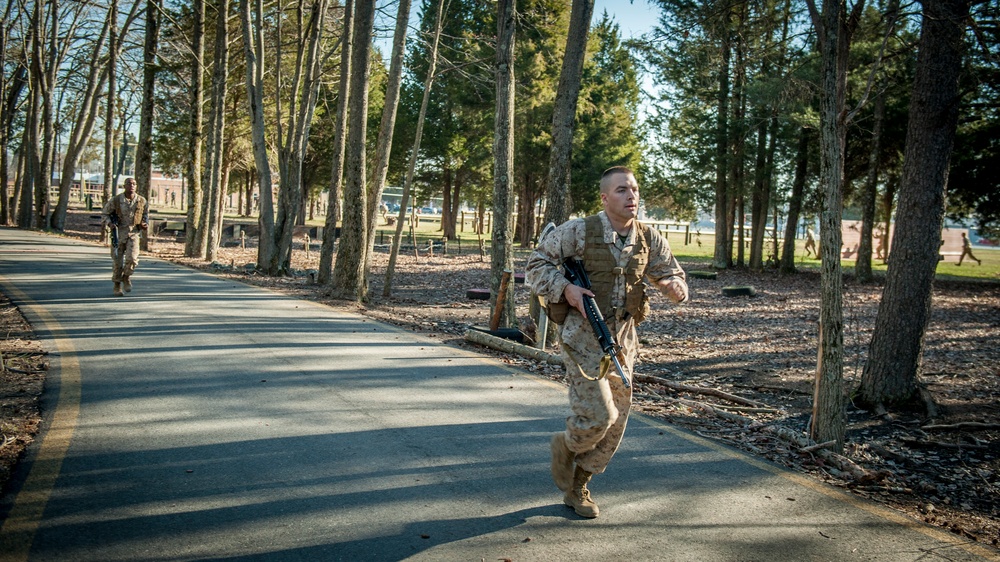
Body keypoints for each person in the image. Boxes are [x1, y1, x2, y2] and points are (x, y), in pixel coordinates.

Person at [525, 166, 688, 519]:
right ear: (604, 197)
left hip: (623, 342)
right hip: (582, 338)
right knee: (600, 414)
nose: (631, 196)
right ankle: (566, 445)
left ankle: (578, 486)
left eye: (634, 189)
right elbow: (536, 264)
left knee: (616, 422)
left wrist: (676, 287)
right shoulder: (579, 231)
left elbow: (670, 272)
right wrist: (566, 289)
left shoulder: (649, 238)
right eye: (621, 190)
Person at [101, 177, 149, 296]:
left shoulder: (142, 201)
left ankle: (126, 276)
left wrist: (144, 224)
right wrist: (110, 223)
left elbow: (146, 215)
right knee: (117, 261)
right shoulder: (116, 200)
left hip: (134, 233)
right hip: (118, 233)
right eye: (129, 183)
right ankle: (117, 285)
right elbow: (105, 214)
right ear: (124, 186)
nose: (132, 186)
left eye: (134, 184)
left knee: (132, 259)